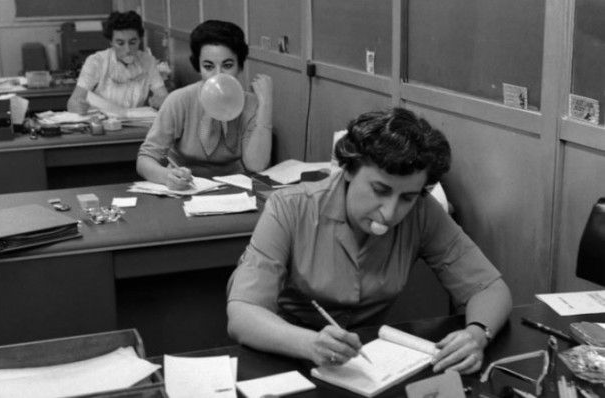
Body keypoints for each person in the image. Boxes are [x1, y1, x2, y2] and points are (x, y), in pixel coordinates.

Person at [227, 108, 512, 374]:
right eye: (379, 190)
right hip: (284, 353)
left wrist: (477, 334)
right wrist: (310, 343)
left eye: (407, 197)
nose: (390, 212)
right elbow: (243, 313)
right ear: (348, 169)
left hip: (368, 364)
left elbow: (489, 287)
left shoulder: (422, 212)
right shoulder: (290, 208)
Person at [137, 20, 272, 189]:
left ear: (240, 66)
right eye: (208, 66)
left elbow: (256, 164)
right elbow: (145, 159)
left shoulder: (250, 103)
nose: (218, 75)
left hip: (234, 190)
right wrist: (166, 176)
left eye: (228, 65)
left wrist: (265, 104)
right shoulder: (179, 100)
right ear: (198, 67)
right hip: (186, 189)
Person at [67, 11, 168, 114]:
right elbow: (73, 102)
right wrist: (78, 106)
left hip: (135, 125)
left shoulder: (148, 61)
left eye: (132, 42)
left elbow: (163, 95)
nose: (128, 49)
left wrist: (161, 101)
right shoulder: (96, 62)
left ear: (139, 40)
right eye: (120, 43)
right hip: (103, 124)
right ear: (111, 42)